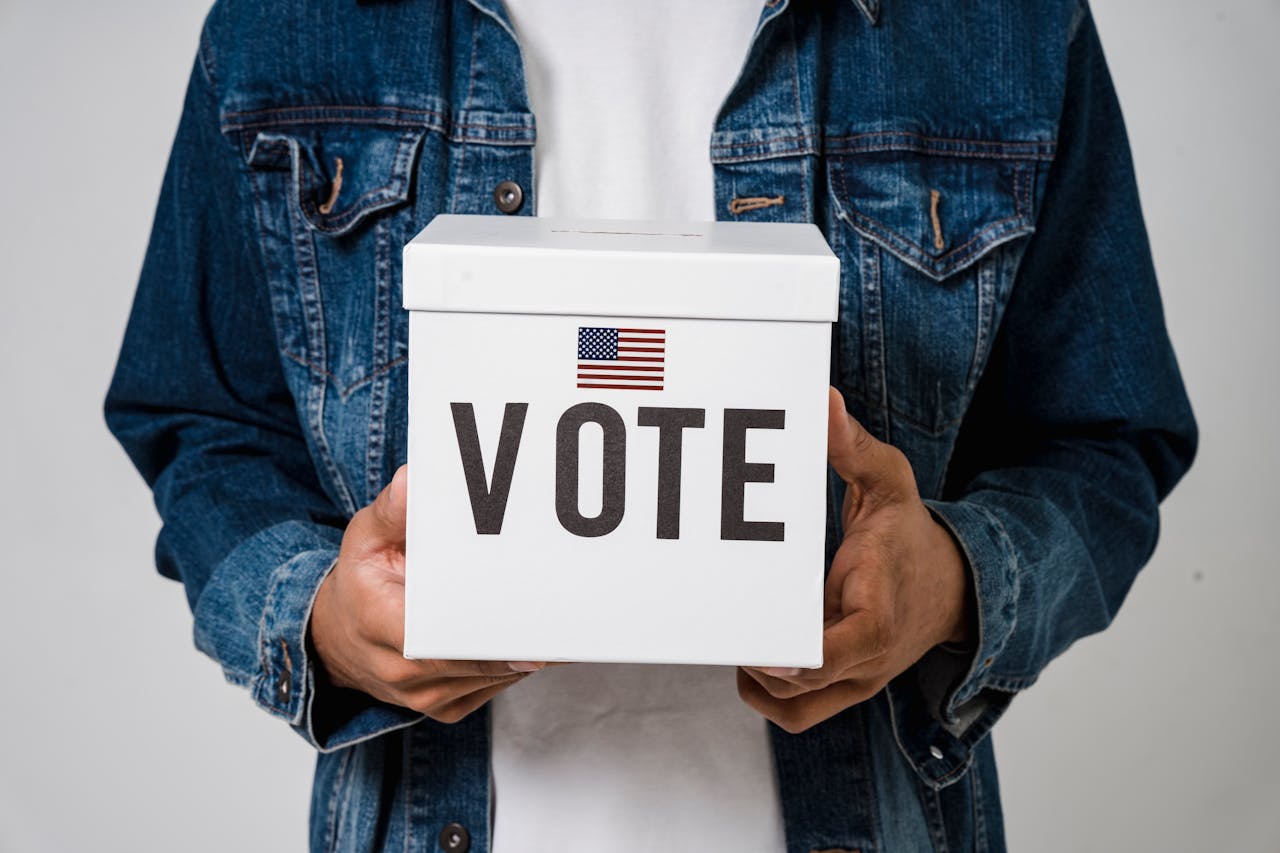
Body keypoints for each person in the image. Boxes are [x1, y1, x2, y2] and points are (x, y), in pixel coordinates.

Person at [105, 1, 1197, 851]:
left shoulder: (1001, 26)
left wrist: (951, 580)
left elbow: (1102, 438)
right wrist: (318, 620)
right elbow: (200, 415)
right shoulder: (287, 26)